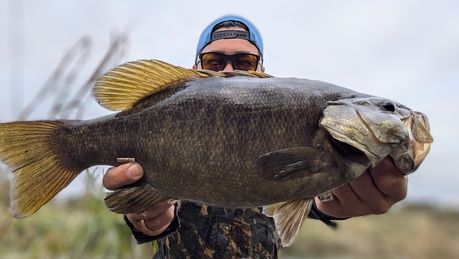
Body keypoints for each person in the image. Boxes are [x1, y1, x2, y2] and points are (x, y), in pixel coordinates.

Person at [102, 15, 408, 258]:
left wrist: (339, 202)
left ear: (262, 70)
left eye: (245, 62)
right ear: (195, 68)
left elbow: (313, 199)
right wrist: (147, 219)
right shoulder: (167, 115)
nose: (230, 70)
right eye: (213, 62)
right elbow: (150, 213)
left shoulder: (290, 124)